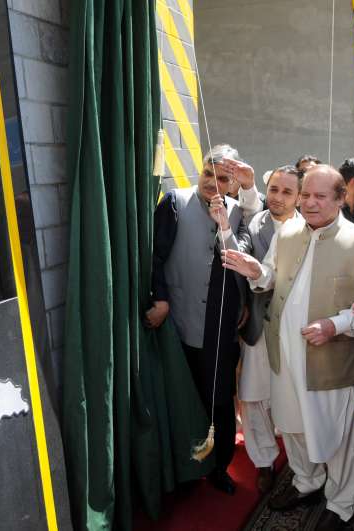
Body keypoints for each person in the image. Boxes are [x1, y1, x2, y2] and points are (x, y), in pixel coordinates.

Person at [223, 165, 354, 531]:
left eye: (320, 196)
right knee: (292, 428)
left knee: (338, 440)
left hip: (331, 362)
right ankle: (306, 482)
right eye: (306, 195)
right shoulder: (289, 231)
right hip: (283, 355)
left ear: (340, 199)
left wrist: (334, 326)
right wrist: (254, 271)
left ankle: (342, 503)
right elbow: (270, 279)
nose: (310, 203)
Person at [146, 143, 252, 494]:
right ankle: (183, 468)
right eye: (209, 173)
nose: (213, 183)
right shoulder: (175, 202)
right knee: (184, 396)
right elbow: (155, 258)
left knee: (219, 399)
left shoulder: (242, 211)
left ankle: (218, 466)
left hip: (220, 326)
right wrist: (159, 300)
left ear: (234, 183)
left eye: (223, 178)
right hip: (180, 319)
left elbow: (256, 260)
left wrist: (245, 304)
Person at [238, 165, 303, 494]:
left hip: (296, 332)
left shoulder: (309, 229)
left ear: (299, 197)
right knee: (252, 395)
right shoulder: (254, 222)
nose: (277, 198)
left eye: (286, 192)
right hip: (258, 326)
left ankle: (301, 466)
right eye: (274, 189)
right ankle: (263, 462)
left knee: (292, 396)